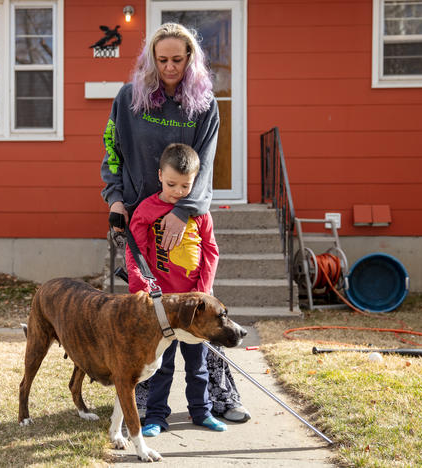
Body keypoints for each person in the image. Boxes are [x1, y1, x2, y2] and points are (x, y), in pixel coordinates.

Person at [100, 22, 250, 425]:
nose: (169, 67)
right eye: (161, 59)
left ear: (191, 60)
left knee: (199, 310)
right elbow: (111, 149)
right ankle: (148, 407)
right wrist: (115, 197)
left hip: (186, 215)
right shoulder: (129, 98)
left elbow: (205, 163)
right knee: (147, 319)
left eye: (177, 60)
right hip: (139, 217)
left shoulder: (203, 104)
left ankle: (217, 399)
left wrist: (183, 211)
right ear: (151, 58)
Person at [125, 143, 224, 436]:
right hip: (162, 305)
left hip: (195, 306)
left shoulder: (199, 212)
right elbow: (135, 250)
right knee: (162, 365)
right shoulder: (146, 210)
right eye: (171, 184)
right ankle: (156, 416)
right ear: (159, 176)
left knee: (197, 364)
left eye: (186, 185)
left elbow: (211, 251)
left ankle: (202, 412)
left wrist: (203, 292)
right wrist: (141, 287)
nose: (178, 191)